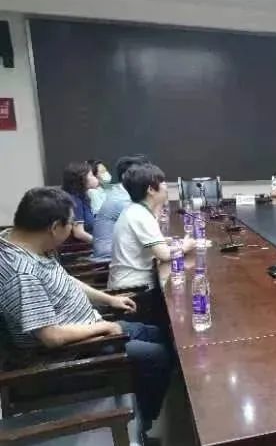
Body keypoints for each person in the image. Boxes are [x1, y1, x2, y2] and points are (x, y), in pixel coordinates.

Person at [0, 187, 174, 427]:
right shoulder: (22, 273)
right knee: (157, 356)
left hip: (89, 327)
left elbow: (65, 280)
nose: (73, 229)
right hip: (70, 353)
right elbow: (51, 337)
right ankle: (139, 424)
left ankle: (145, 405)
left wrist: (109, 299)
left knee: (161, 334)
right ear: (54, 227)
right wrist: (104, 327)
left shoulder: (20, 242)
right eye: (71, 224)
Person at [109, 163, 195, 289]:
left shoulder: (136, 209)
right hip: (132, 288)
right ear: (151, 190)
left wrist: (168, 240)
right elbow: (165, 255)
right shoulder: (140, 215)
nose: (166, 186)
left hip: (135, 281)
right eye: (162, 182)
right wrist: (185, 247)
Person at [91, 155, 149, 262]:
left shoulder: (122, 192)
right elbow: (146, 230)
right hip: (108, 259)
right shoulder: (121, 200)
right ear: (125, 176)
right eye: (141, 175)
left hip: (118, 253)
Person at [61, 161, 98, 244]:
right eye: (91, 175)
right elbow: (79, 233)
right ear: (82, 179)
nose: (95, 178)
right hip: (81, 248)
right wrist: (100, 243)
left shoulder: (83, 197)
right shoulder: (74, 201)